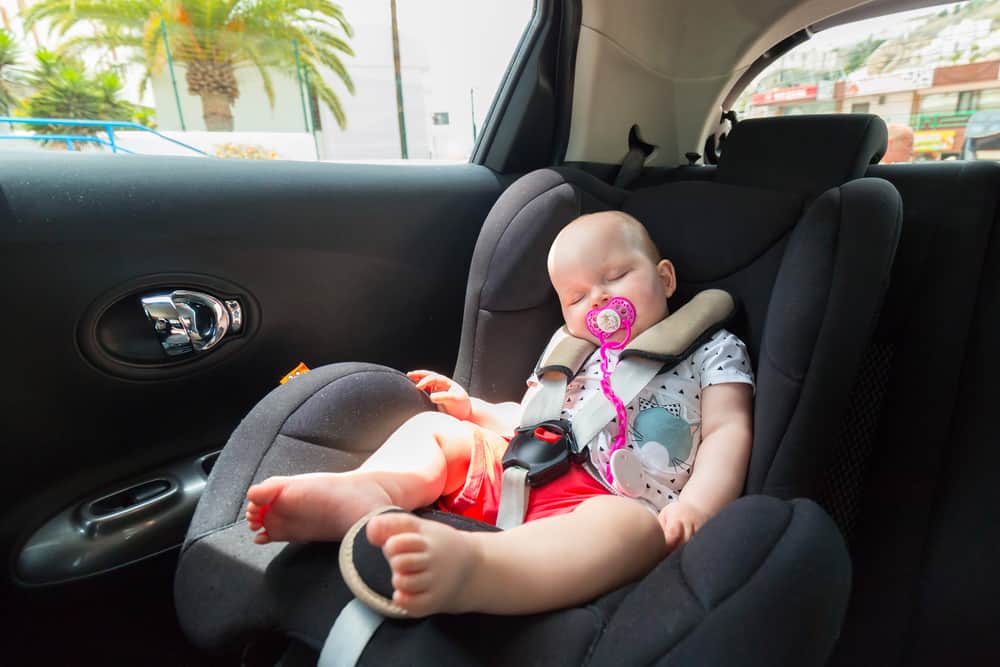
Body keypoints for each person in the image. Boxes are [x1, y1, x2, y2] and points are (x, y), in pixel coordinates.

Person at [245, 210, 754, 618]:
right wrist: (476, 411)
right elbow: (535, 421)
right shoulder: (574, 357)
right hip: (536, 472)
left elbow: (727, 431)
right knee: (437, 431)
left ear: (664, 279)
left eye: (616, 277)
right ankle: (367, 491)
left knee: (625, 530)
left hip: (623, 503)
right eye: (576, 297)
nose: (598, 299)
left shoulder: (712, 352)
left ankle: (480, 568)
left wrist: (700, 506)